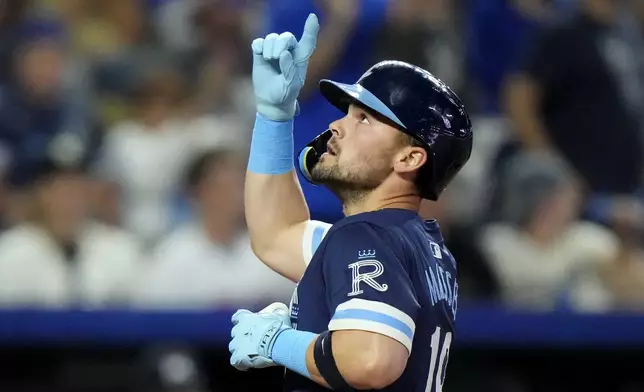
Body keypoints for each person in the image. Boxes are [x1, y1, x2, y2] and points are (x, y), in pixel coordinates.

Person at [227, 13, 473, 392]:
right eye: (347, 113)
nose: (338, 125)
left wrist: (276, 343)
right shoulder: (417, 244)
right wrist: (274, 119)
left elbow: (371, 361)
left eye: (365, 119)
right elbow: (276, 233)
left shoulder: (365, 236)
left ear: (409, 159)